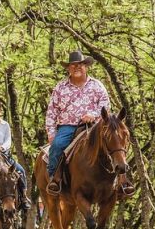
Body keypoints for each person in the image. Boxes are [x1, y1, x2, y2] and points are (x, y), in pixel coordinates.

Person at [45, 50, 110, 193]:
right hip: (68, 126)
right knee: (57, 146)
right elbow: (52, 111)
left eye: (80, 65)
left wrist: (93, 114)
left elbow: (105, 106)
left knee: (115, 143)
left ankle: (121, 181)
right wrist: (51, 132)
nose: (77, 68)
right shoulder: (60, 87)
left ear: (86, 66)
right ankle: (54, 179)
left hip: (94, 126)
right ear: (69, 68)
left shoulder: (97, 85)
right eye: (73, 65)